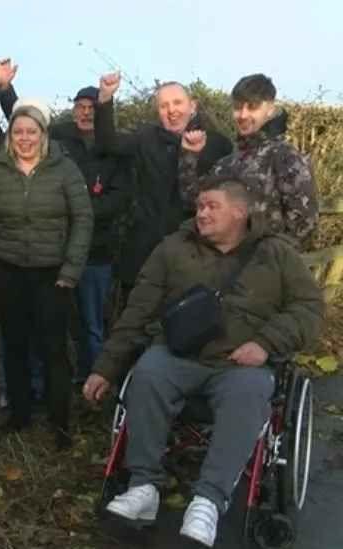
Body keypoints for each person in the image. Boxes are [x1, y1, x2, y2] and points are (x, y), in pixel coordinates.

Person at [83, 176, 324, 547]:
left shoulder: (277, 253)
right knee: (147, 371)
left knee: (251, 390)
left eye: (212, 206)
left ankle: (209, 501)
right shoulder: (173, 249)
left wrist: (266, 342)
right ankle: (143, 486)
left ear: (240, 212)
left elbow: (308, 309)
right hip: (179, 354)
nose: (202, 213)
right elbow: (138, 310)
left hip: (240, 364)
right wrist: (105, 368)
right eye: (199, 207)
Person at [0, 100, 93, 449]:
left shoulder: (64, 169)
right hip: (8, 270)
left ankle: (60, 423)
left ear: (43, 134)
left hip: (51, 274)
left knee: (53, 348)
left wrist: (70, 270)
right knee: (14, 346)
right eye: (18, 131)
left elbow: (83, 220)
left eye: (32, 131)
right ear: (11, 135)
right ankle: (20, 414)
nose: (24, 138)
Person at [93, 72, 233, 294]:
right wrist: (105, 99)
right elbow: (107, 143)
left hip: (196, 253)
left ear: (192, 106)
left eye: (178, 103)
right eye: (164, 106)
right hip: (145, 254)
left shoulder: (218, 145)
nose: (172, 110)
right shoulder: (145, 137)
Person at [179, 73, 318, 247]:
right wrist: (189, 156)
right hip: (222, 267)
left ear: (270, 108)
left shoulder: (286, 157)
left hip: (267, 268)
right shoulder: (227, 162)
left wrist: (267, 261)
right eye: (238, 107)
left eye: (252, 107)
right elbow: (194, 202)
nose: (243, 115)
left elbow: (305, 223)